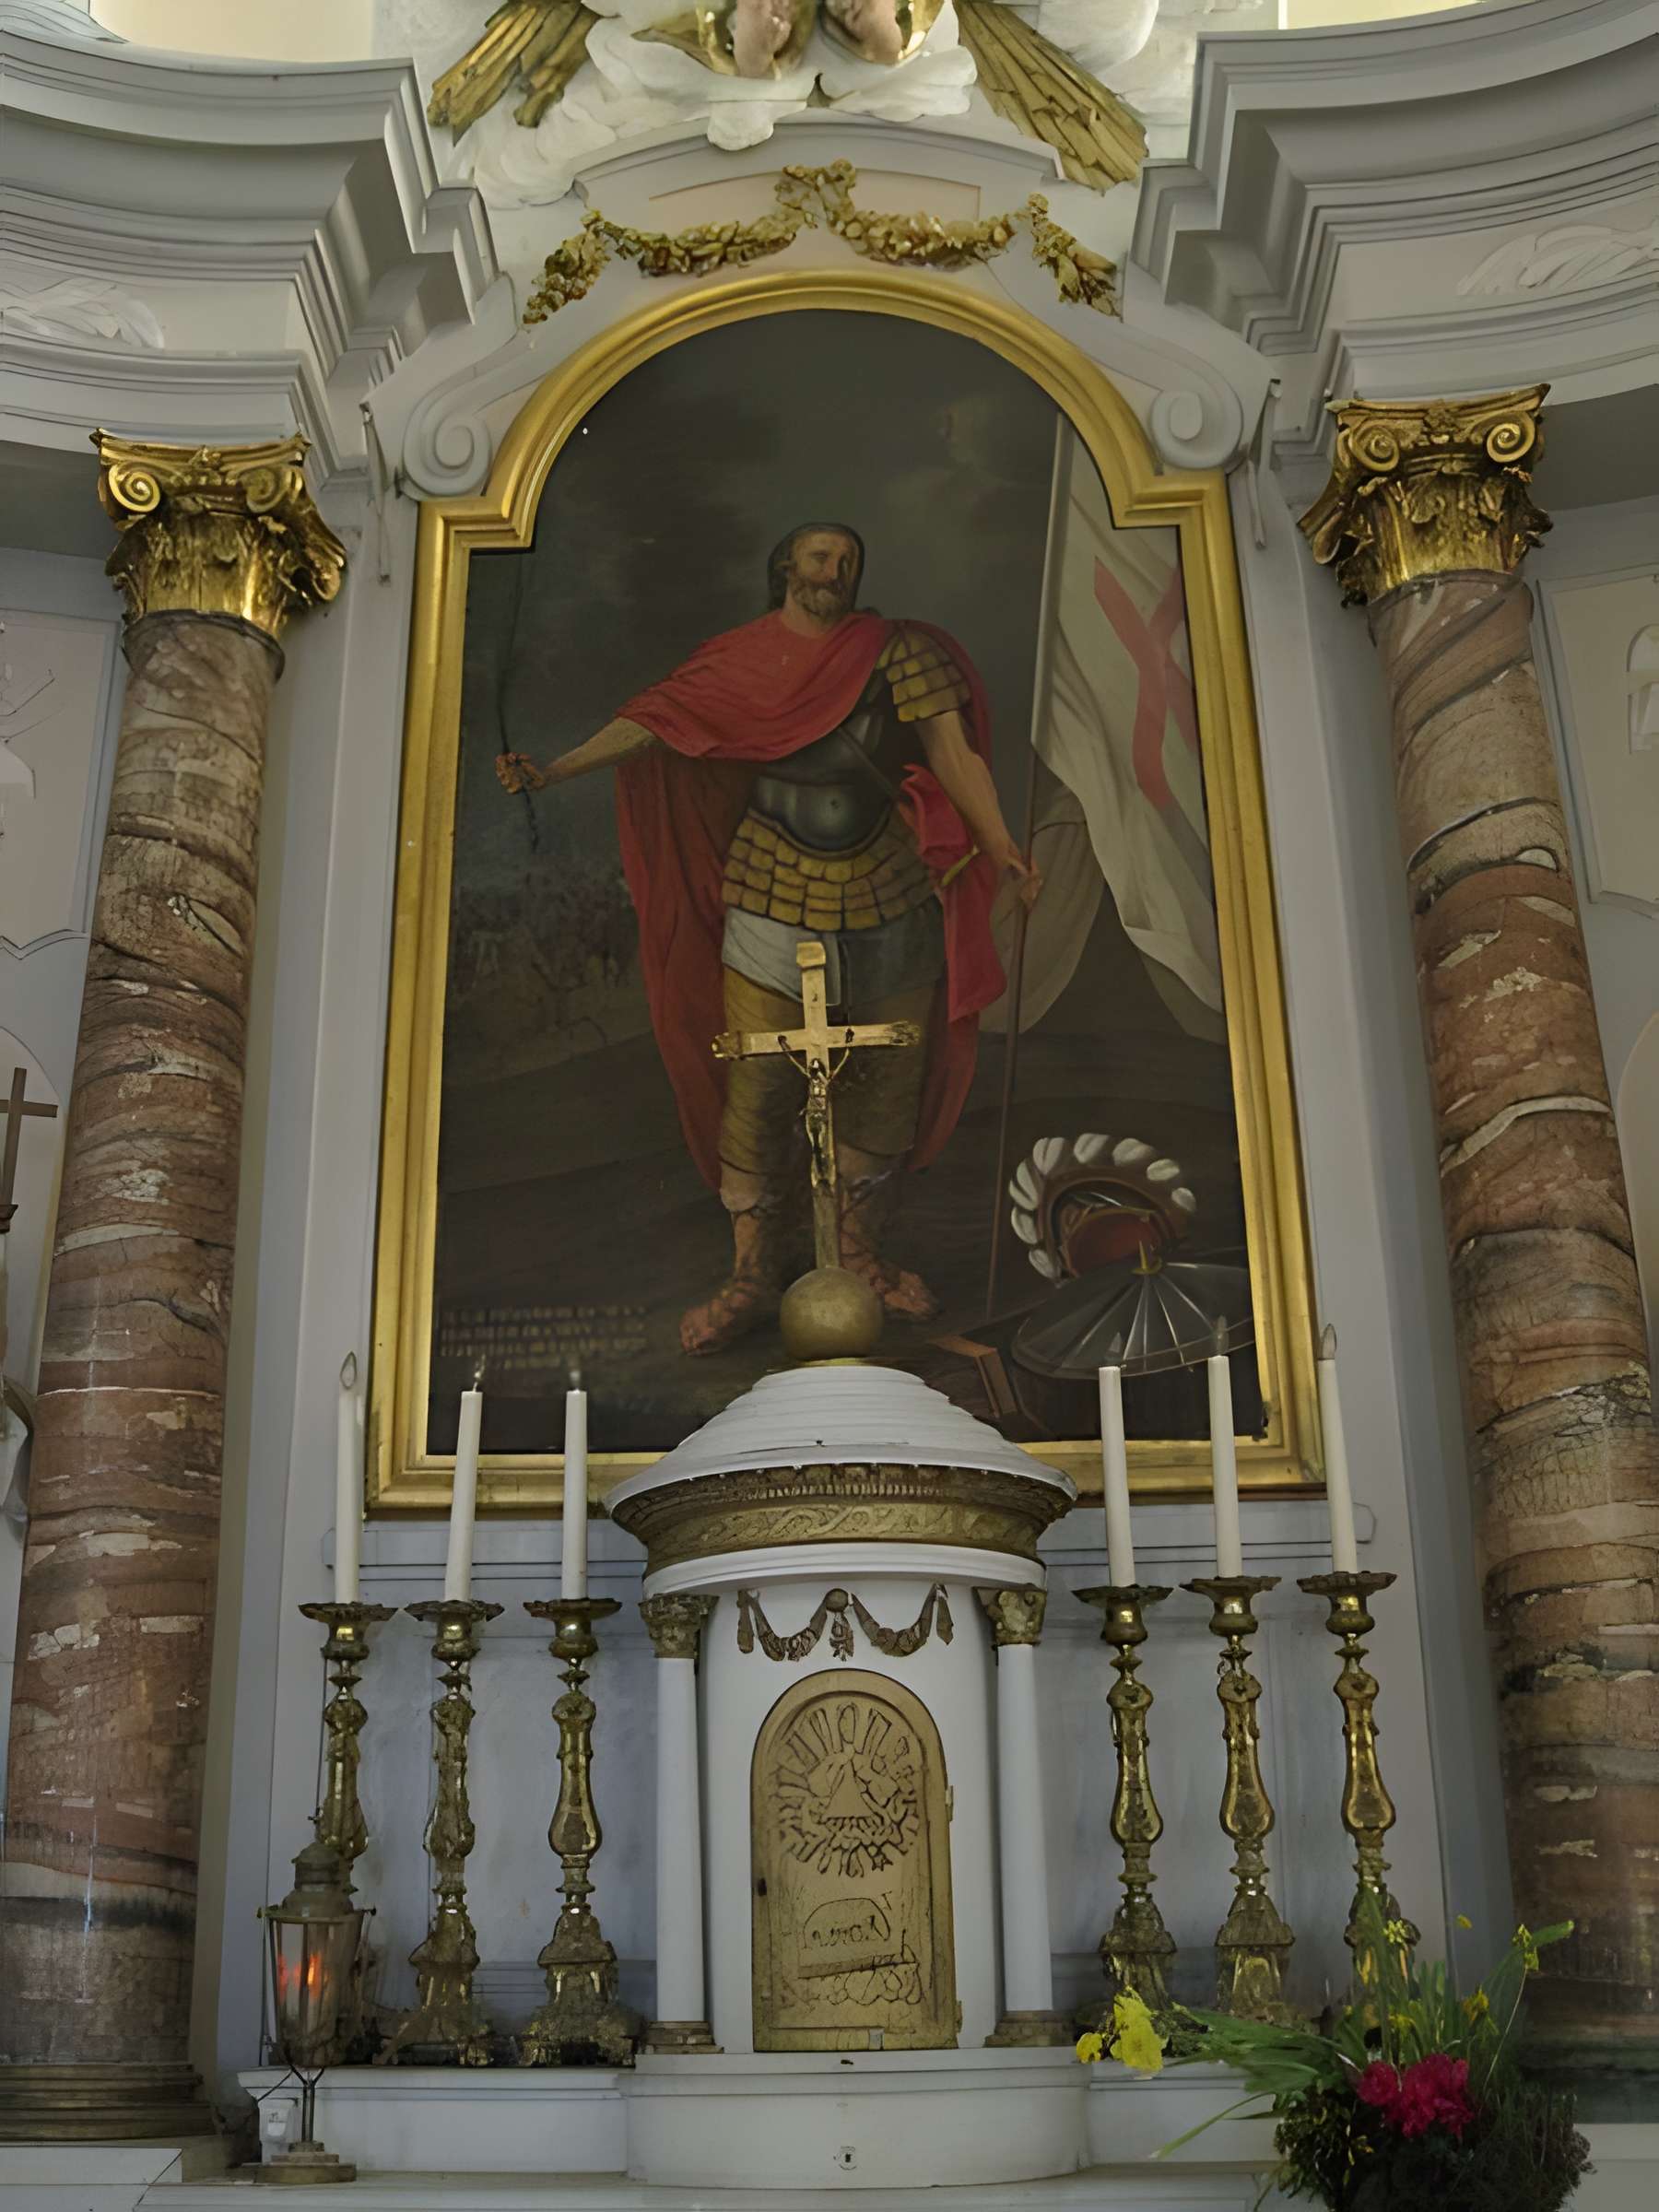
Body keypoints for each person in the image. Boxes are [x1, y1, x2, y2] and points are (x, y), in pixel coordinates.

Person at [498, 523, 1039, 1353]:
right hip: (769, 886)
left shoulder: (899, 655)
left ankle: (858, 1256)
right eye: (821, 556)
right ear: (787, 566)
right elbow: (654, 724)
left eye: (849, 561)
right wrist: (554, 769)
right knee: (756, 1086)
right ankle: (753, 1276)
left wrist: (1001, 845)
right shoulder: (738, 662)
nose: (836, 570)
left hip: (890, 886)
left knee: (888, 1081)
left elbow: (953, 756)